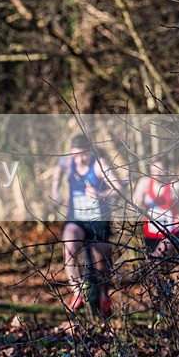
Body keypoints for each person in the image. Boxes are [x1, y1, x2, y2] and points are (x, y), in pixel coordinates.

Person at [51, 134, 119, 317]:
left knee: (101, 265)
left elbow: (119, 188)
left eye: (83, 154)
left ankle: (104, 296)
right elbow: (57, 171)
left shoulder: (99, 164)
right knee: (69, 247)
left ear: (90, 150)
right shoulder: (68, 162)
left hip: (98, 221)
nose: (79, 159)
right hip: (77, 218)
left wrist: (101, 194)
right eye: (75, 155)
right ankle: (77, 292)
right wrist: (55, 191)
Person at [132, 158, 179, 306]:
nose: (156, 174)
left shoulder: (175, 185)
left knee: (155, 261)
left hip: (170, 233)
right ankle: (162, 299)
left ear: (166, 171)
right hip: (151, 233)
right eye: (153, 170)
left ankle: (163, 298)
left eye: (159, 171)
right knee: (158, 269)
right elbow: (135, 203)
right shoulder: (144, 183)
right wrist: (138, 204)